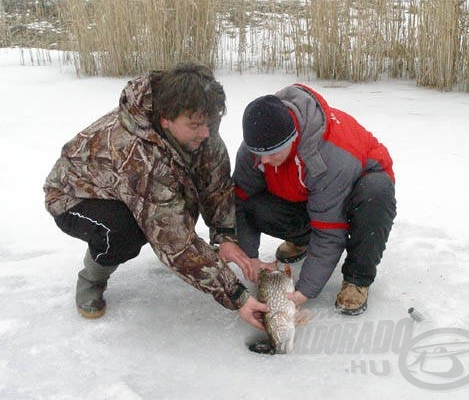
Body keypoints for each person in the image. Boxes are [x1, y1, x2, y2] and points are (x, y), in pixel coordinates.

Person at [44, 62, 270, 329]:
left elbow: (216, 186)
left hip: (132, 188)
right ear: (165, 119)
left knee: (178, 201)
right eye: (196, 125)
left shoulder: (202, 132)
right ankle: (92, 278)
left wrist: (225, 237)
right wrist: (237, 296)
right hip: (75, 196)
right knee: (127, 233)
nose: (206, 132)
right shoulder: (138, 155)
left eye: (209, 122)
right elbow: (174, 241)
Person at [233, 84, 397, 315]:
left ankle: (357, 279)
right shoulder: (259, 148)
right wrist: (248, 259)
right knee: (254, 204)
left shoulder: (327, 156)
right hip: (308, 193)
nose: (265, 160)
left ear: (292, 139)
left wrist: (303, 292)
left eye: (272, 153)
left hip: (357, 191)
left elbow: (330, 231)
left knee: (376, 192)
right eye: (259, 154)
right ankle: (302, 239)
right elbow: (239, 201)